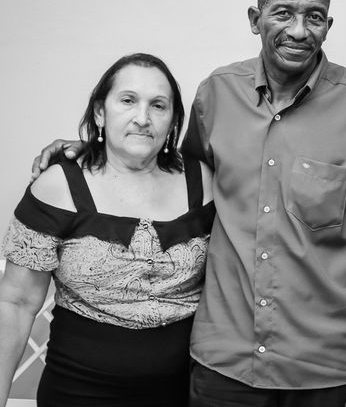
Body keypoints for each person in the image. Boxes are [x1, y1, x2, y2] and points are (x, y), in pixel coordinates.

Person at [29, 0, 346, 407]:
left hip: (324, 372)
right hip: (221, 366)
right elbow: (171, 181)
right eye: (283, 13)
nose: (300, 30)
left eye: (314, 17)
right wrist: (92, 147)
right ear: (255, 19)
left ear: (329, 24)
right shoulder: (216, 94)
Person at [0, 53, 214, 407]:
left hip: (183, 392)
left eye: (158, 105)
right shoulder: (58, 187)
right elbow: (16, 304)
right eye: (128, 101)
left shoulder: (202, 182)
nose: (143, 118)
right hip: (78, 391)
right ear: (101, 112)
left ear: (174, 119)